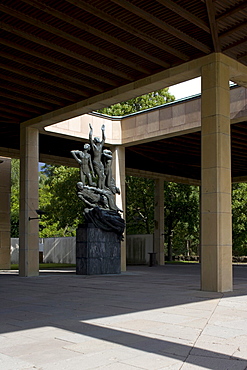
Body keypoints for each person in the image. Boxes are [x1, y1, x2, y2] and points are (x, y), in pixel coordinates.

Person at [89, 123, 105, 189]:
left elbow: (104, 139)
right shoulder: (94, 147)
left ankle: (102, 187)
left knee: (103, 176)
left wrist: (103, 131)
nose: (98, 139)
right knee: (100, 176)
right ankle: (99, 188)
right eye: (97, 139)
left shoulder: (100, 146)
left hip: (100, 163)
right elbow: (90, 138)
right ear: (95, 141)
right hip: (95, 162)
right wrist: (91, 130)